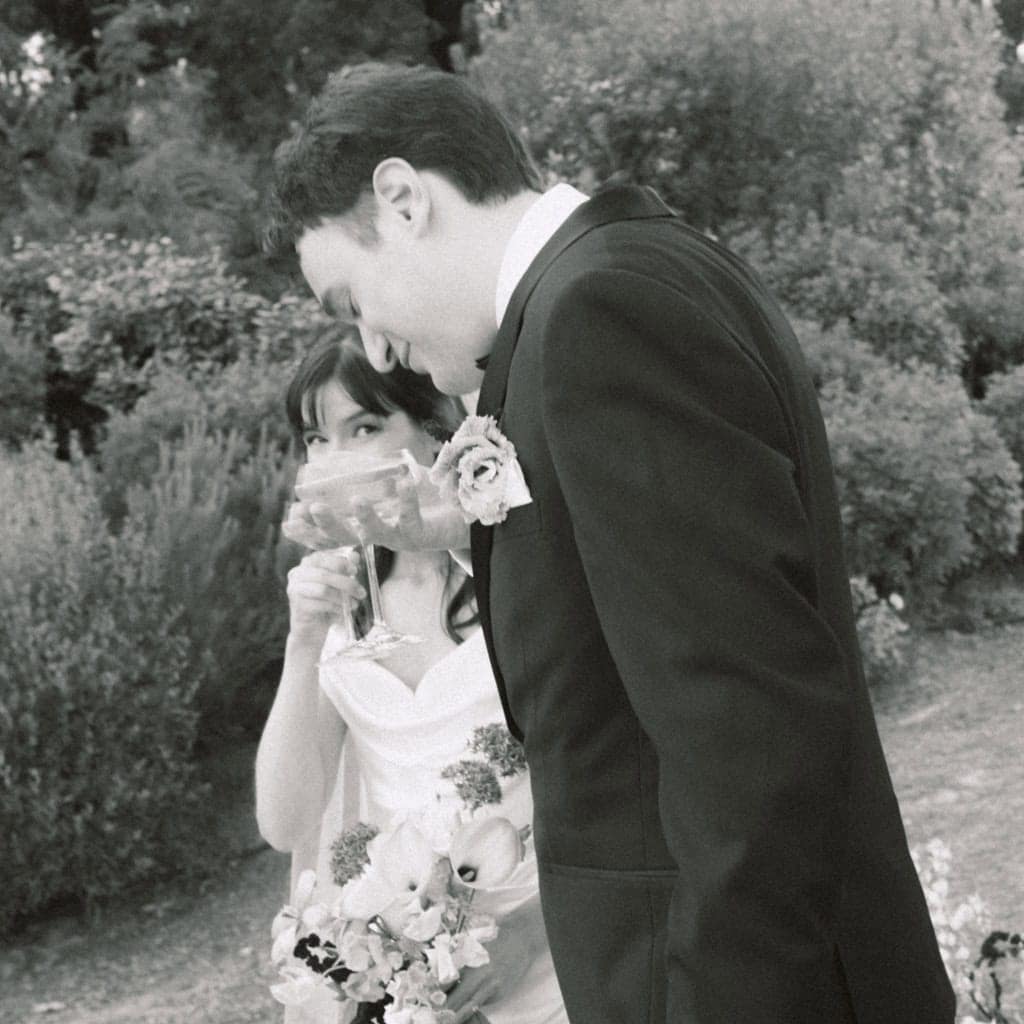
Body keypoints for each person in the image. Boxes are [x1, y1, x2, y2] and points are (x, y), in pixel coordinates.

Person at [263, 64, 956, 1023]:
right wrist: (462, 532)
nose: (373, 348)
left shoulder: (597, 313)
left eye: (351, 300)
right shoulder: (618, 279)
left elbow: (746, 732)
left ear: (404, 199)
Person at [255, 334, 569, 1024]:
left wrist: (533, 932)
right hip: (425, 977)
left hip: (560, 946)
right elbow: (285, 824)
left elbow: (618, 784)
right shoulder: (341, 610)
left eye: (364, 428)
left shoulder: (517, 577)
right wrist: (302, 645)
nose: (335, 460)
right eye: (316, 439)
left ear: (433, 431)